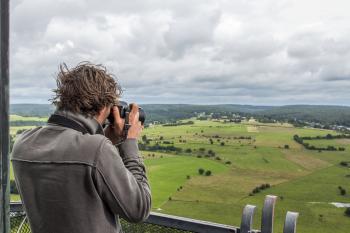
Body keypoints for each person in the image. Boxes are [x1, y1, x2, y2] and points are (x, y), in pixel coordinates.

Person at [11, 62, 151, 233]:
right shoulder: (96, 150)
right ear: (102, 108)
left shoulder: (23, 143)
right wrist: (129, 141)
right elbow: (139, 209)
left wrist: (106, 138)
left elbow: (71, 158)